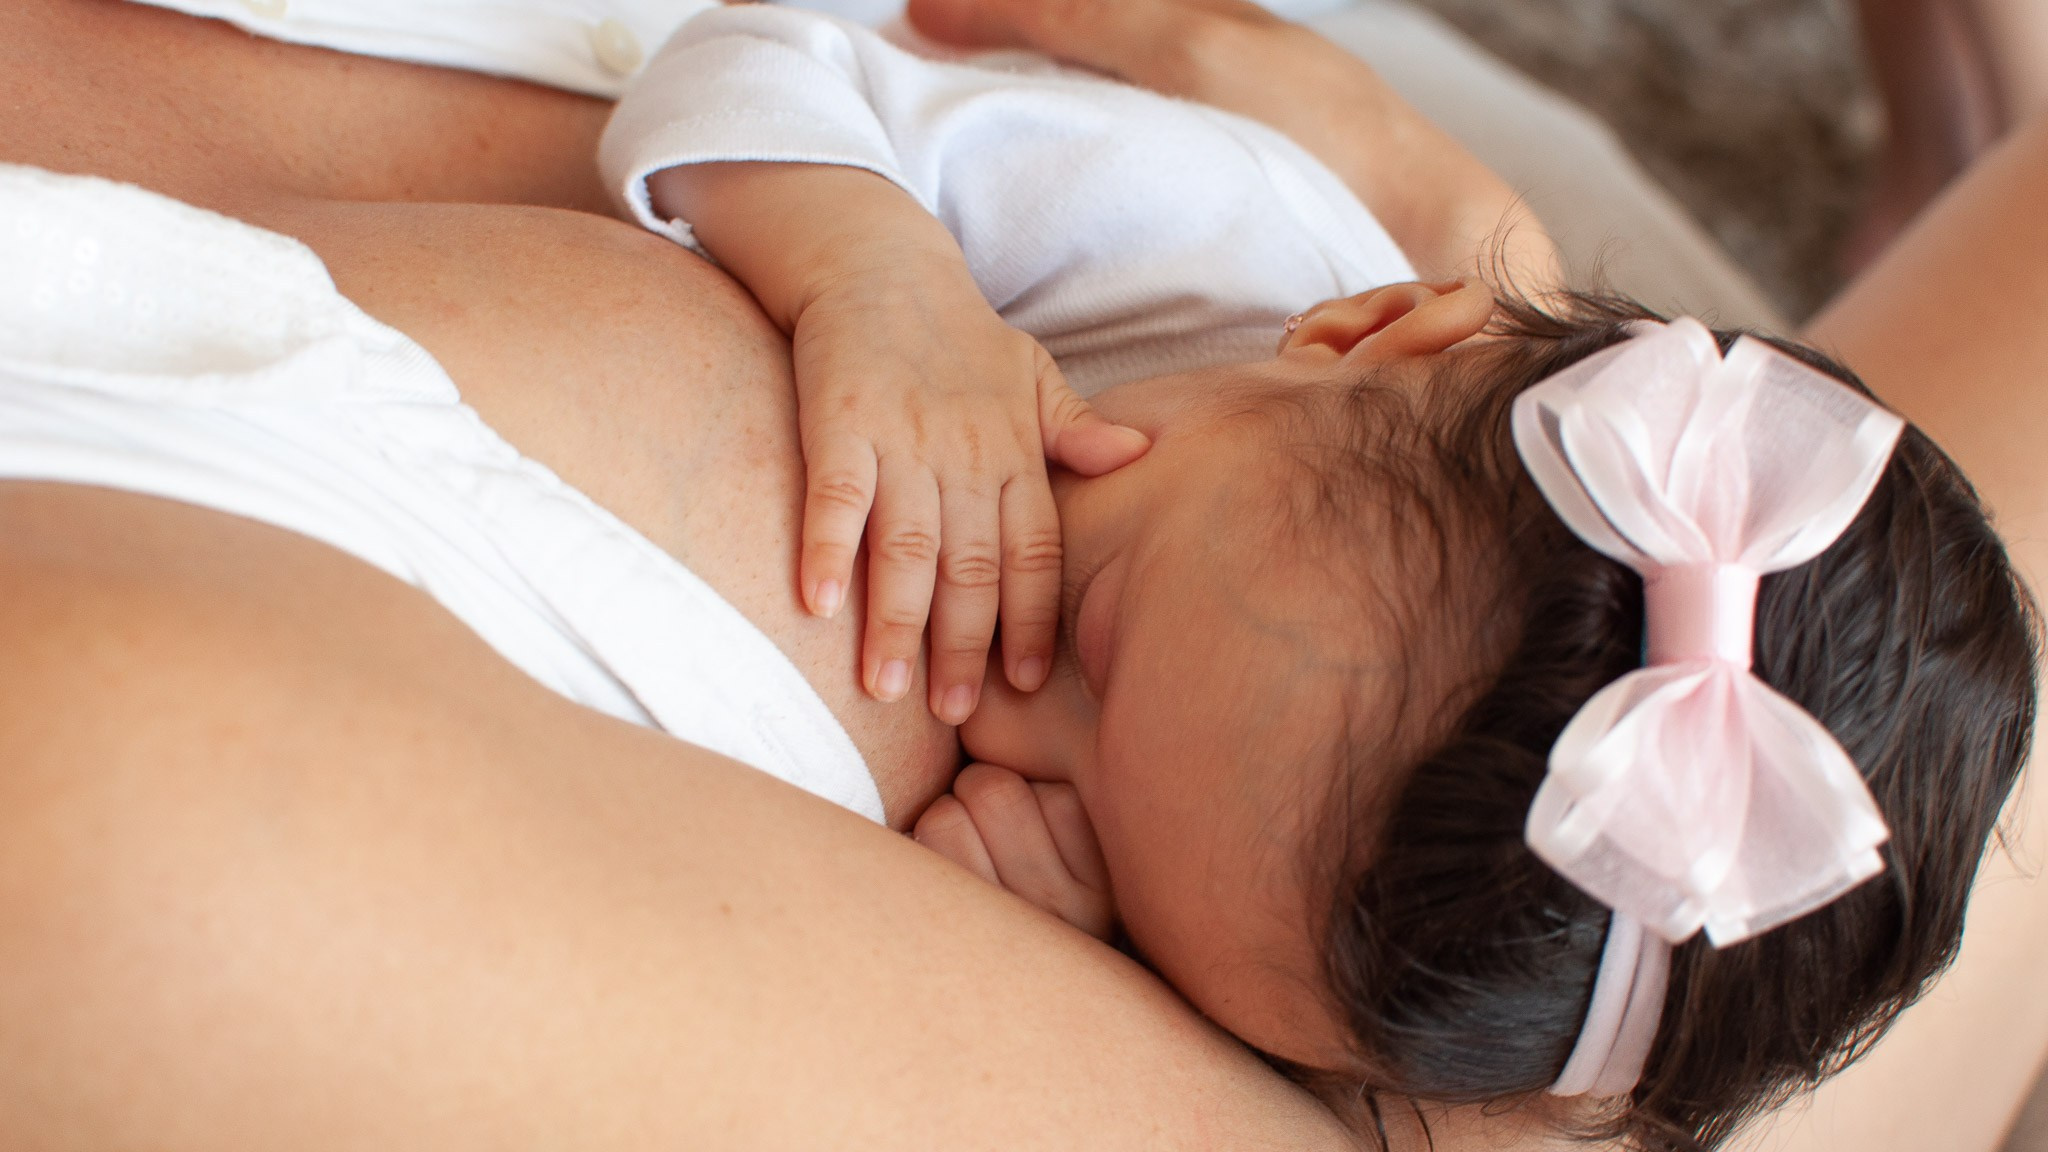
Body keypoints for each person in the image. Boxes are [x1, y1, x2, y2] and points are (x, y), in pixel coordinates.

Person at [0, 3, 2044, 1152]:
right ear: (1357, 326)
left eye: (1120, 861)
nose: (995, 704)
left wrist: (1048, 900)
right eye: (1101, 635)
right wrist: (874, 270)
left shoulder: (1310, 816)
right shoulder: (1203, 229)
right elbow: (769, 66)